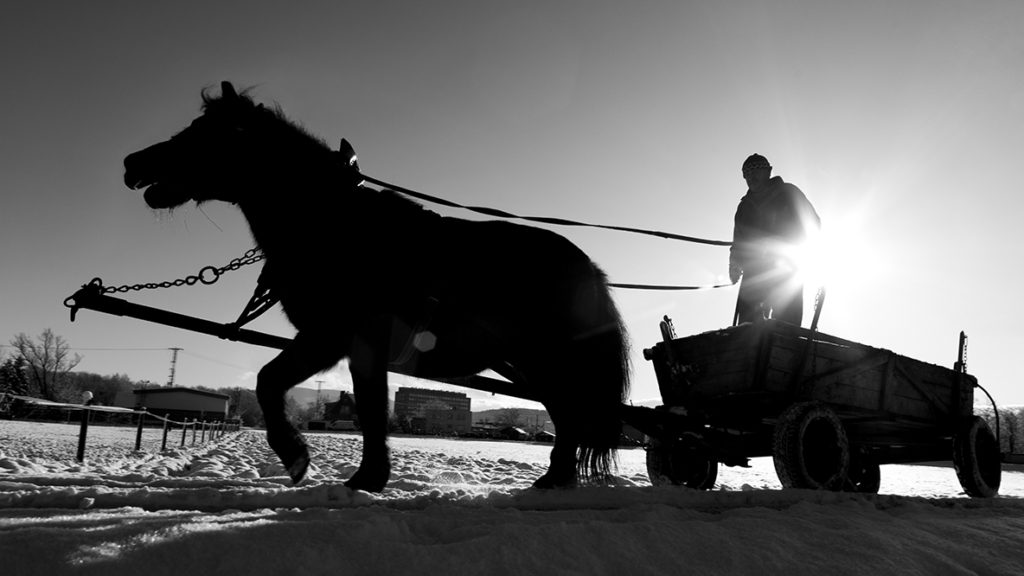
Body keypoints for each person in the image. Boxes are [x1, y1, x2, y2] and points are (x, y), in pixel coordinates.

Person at [729, 154, 820, 326]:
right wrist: (734, 262)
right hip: (755, 273)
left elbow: (813, 224)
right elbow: (739, 241)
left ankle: (785, 345)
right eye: (747, 173)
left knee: (786, 321)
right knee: (748, 324)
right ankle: (748, 345)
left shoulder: (788, 193)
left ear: (768, 171)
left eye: (756, 171)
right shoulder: (744, 207)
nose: (751, 177)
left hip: (786, 268)